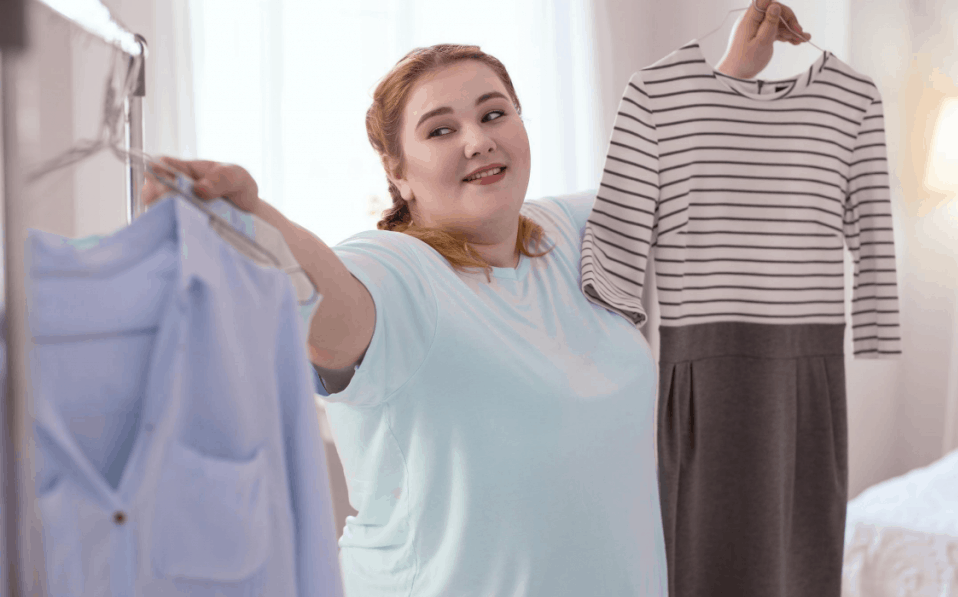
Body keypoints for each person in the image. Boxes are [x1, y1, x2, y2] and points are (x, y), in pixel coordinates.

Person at [143, 2, 810, 595]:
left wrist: (735, 68)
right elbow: (333, 308)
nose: (478, 138)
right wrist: (257, 220)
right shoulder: (399, 271)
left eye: (494, 113)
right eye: (440, 129)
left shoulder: (570, 232)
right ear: (398, 175)